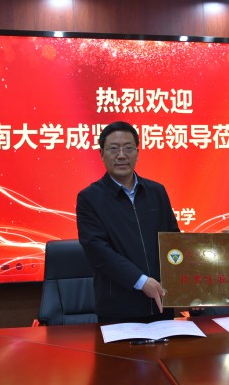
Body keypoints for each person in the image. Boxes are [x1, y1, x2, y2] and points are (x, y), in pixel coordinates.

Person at [76, 121, 180, 323]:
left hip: (162, 304)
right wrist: (141, 282)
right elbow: (97, 250)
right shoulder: (90, 198)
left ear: (137, 153)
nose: (121, 155)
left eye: (128, 148)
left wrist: (191, 284)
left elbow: (173, 241)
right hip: (118, 310)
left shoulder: (157, 191)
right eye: (114, 148)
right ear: (102, 154)